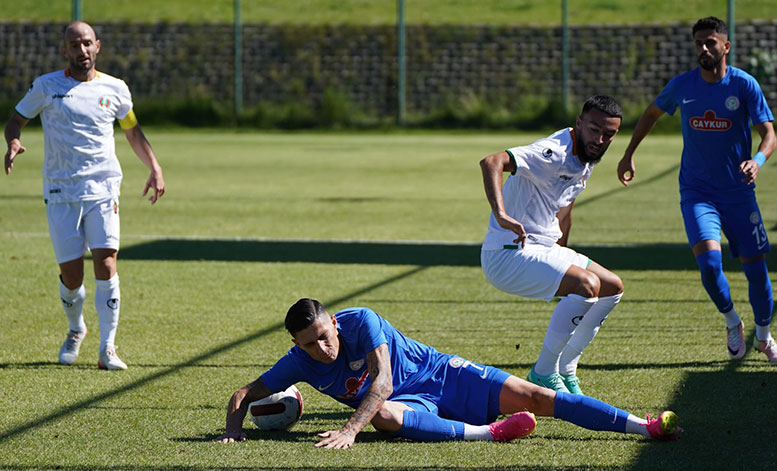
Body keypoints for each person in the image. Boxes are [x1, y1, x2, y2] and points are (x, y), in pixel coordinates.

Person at [216, 298, 680, 449]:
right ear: (296, 346)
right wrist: (232, 431)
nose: (323, 347)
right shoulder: (297, 364)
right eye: (310, 343)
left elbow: (383, 381)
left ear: (334, 323)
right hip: (411, 406)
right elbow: (243, 393)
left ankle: (643, 425)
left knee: (537, 397)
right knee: (386, 417)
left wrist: (349, 430)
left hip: (443, 374)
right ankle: (488, 434)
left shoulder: (360, 321)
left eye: (324, 334)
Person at [3, 21, 165, 370]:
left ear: (98, 46)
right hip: (61, 190)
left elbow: (132, 131)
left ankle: (108, 348)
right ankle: (76, 328)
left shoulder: (116, 89)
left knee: (106, 262)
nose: (82, 50)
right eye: (74, 45)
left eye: (87, 43)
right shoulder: (46, 86)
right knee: (72, 276)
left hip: (104, 187)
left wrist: (154, 167)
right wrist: (13, 141)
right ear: (65, 50)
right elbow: (16, 119)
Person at [617, 17, 777, 362]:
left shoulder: (744, 85)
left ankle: (763, 336)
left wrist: (757, 162)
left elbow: (769, 134)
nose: (704, 49)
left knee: (756, 271)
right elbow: (651, 113)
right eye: (699, 44)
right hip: (697, 193)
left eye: (710, 43)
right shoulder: (682, 86)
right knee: (708, 265)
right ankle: (732, 322)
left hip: (738, 193)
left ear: (726, 46)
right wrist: (629, 153)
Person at [478, 96, 625, 395]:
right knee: (586, 285)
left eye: (608, 134)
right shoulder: (553, 152)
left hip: (543, 246)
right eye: (594, 129)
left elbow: (564, 211)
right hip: (507, 254)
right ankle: (544, 372)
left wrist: (563, 260)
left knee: (612, 286)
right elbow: (492, 161)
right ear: (579, 123)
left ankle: (567, 367)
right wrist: (502, 215)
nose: (600, 139)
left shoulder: (586, 156)